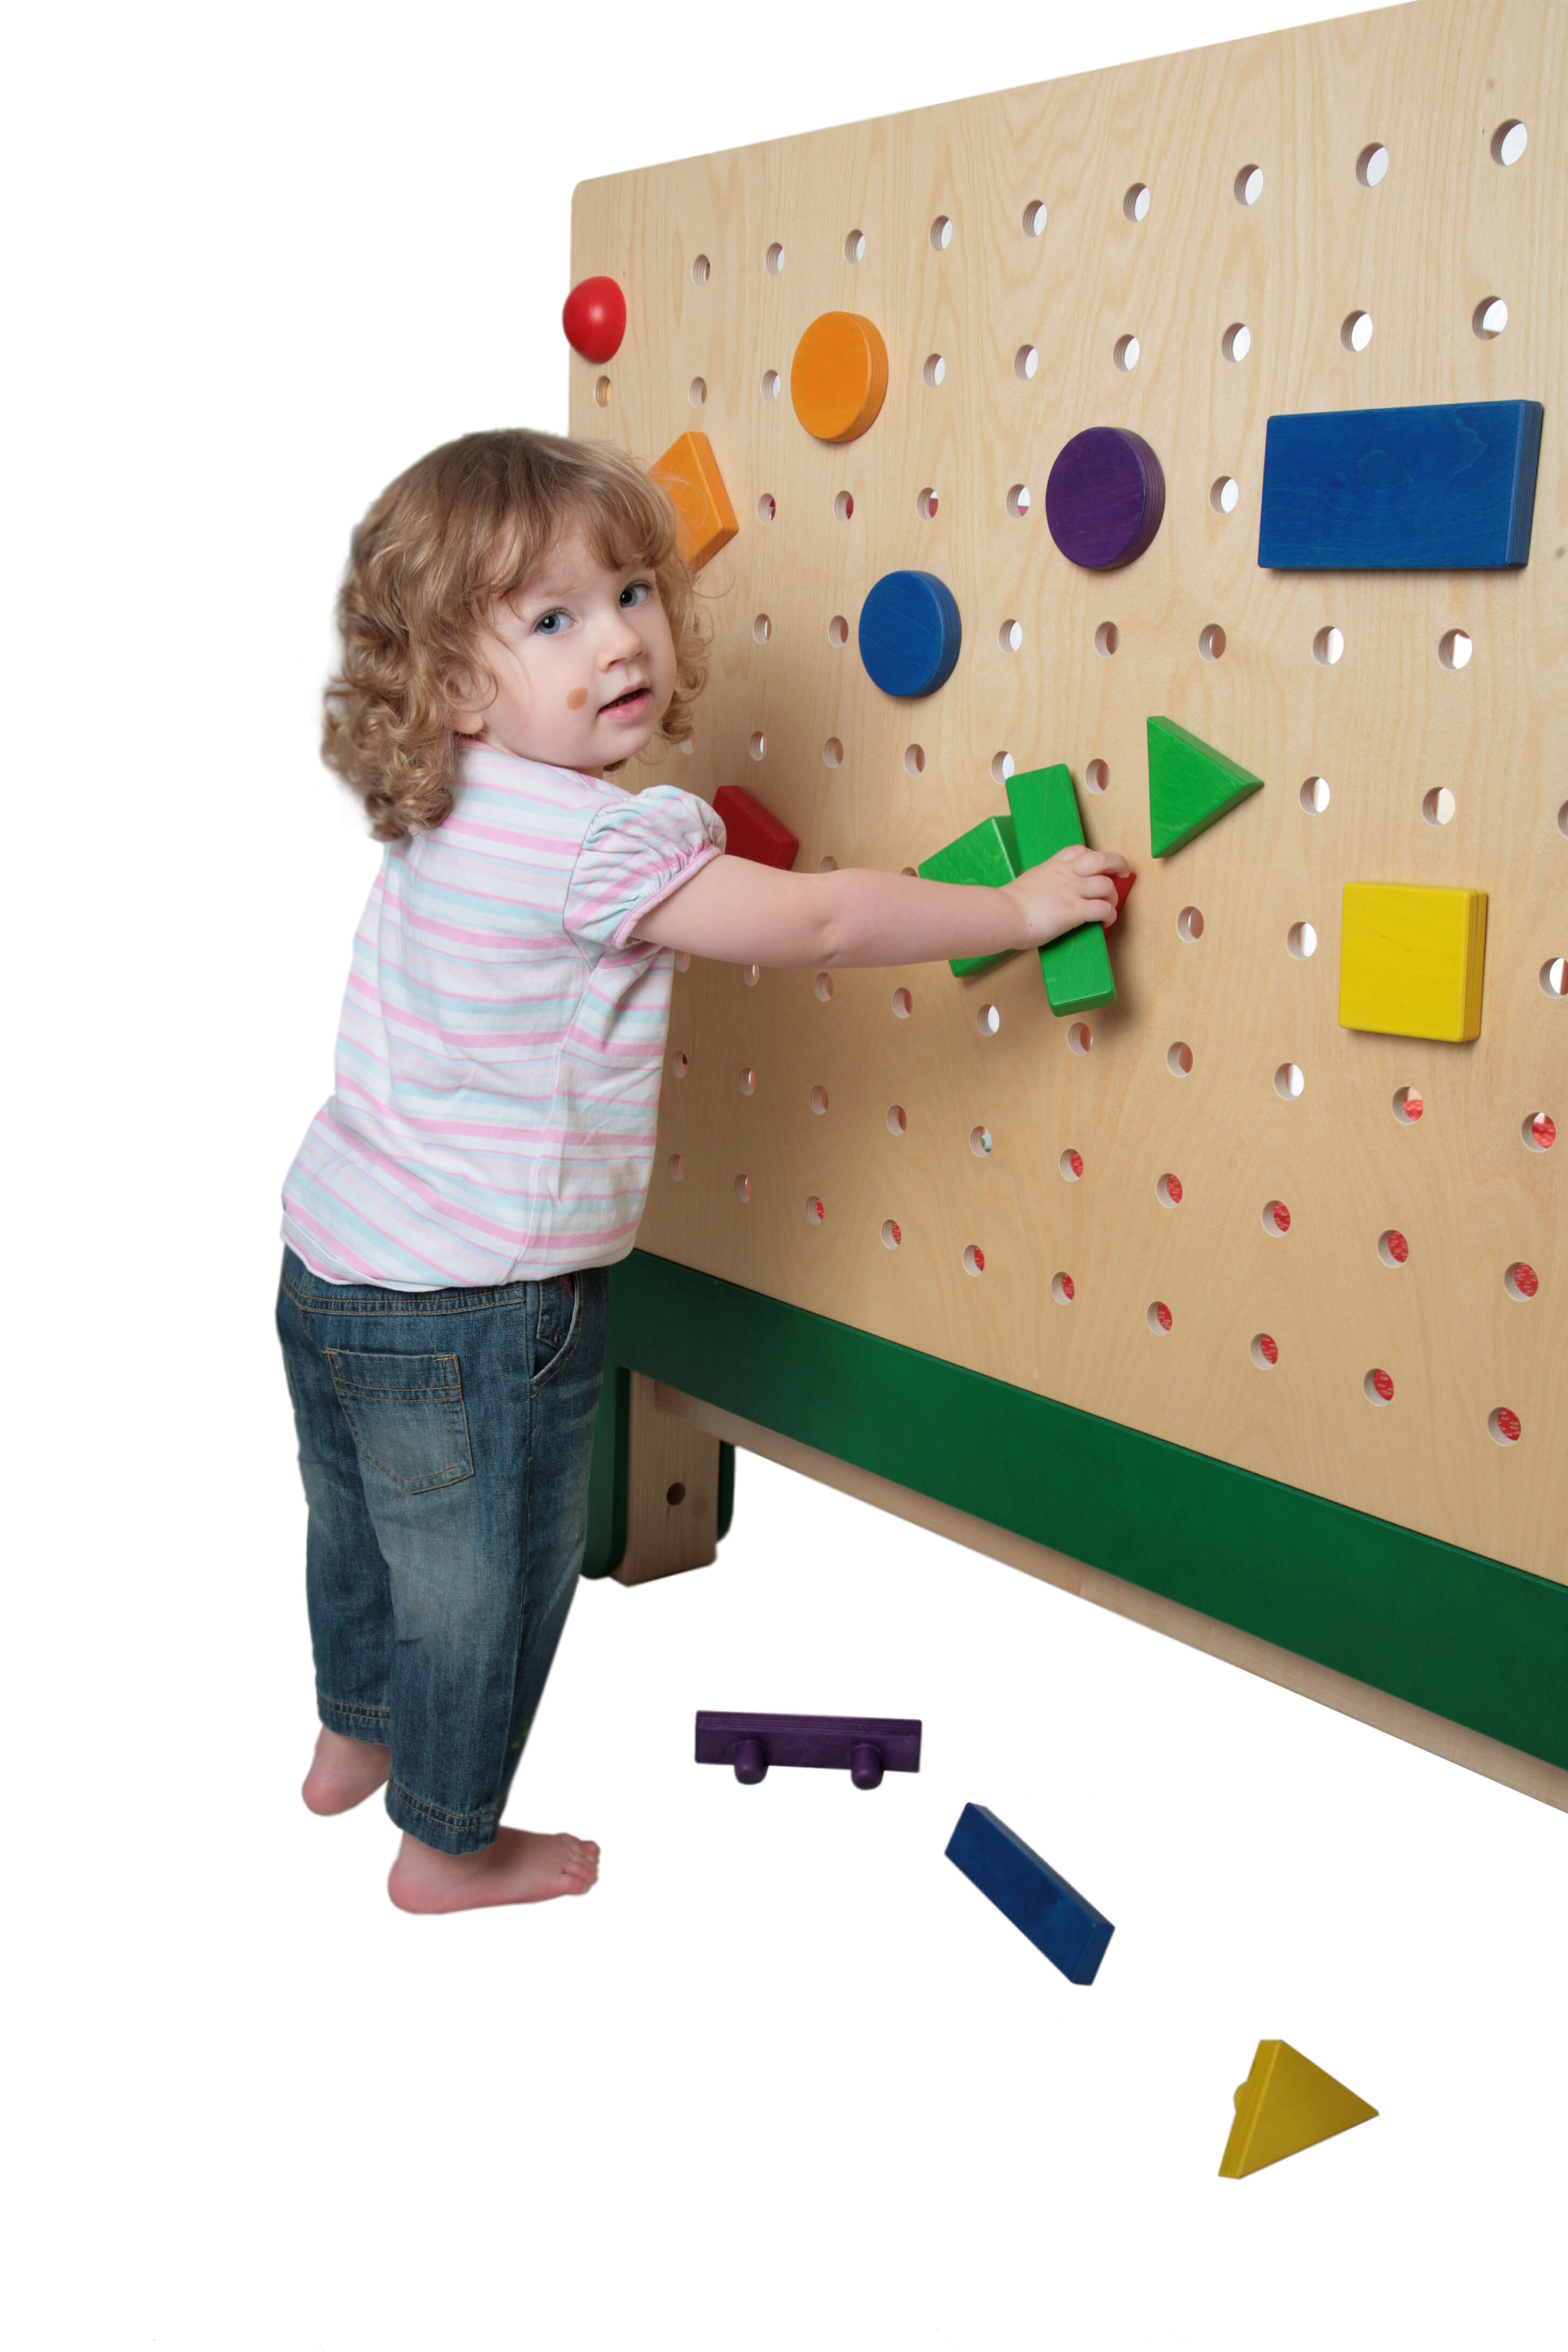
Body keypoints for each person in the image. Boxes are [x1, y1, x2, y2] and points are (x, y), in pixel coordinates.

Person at [277, 427, 1126, 1916]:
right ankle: (447, 1847)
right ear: (457, 684)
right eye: (554, 619)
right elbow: (818, 925)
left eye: (632, 596)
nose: (620, 640)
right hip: (481, 1311)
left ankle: (355, 1740)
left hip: (333, 1263)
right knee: (489, 1588)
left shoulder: (448, 801)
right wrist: (1011, 908)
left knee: (362, 1531)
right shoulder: (593, 848)